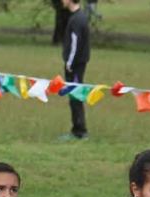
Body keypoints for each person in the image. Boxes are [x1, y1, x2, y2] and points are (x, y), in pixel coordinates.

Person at [60, 0, 90, 140]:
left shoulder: (76, 19)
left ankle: (79, 131)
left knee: (75, 96)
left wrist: (69, 63)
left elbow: (75, 43)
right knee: (74, 96)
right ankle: (77, 129)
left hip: (75, 65)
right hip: (77, 64)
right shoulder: (79, 17)